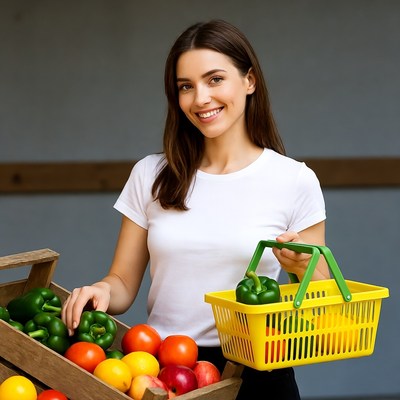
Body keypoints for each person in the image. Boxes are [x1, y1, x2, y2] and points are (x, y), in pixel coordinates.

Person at [62, 19, 329, 399]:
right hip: (164, 371)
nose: (200, 98)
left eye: (215, 79)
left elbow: (322, 301)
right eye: (186, 86)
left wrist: (301, 267)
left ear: (249, 81)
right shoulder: (151, 174)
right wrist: (100, 291)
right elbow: (121, 283)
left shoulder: (294, 180)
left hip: (258, 374)